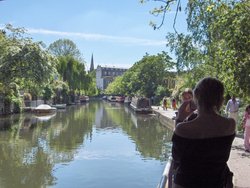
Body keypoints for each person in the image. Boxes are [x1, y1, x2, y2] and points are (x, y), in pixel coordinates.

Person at [172, 77, 235, 188]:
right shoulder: (230, 124)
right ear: (220, 99)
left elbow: (176, 157)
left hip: (185, 184)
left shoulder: (182, 128)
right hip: (216, 183)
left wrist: (179, 120)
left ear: (195, 97)